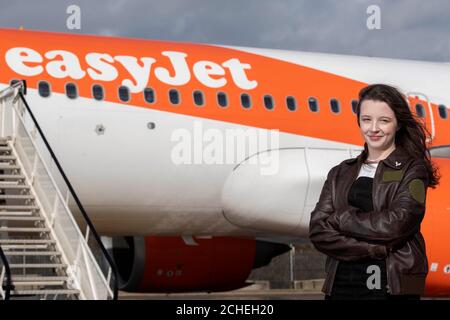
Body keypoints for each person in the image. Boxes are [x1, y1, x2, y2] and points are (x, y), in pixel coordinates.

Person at [309, 84, 440, 300]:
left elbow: (396, 224)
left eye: (384, 120)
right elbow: (318, 231)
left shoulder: (412, 169)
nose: (374, 128)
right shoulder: (340, 173)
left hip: (393, 286)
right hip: (341, 285)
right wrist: (374, 249)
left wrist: (341, 219)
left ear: (398, 124)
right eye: (367, 119)